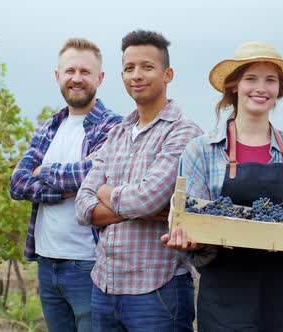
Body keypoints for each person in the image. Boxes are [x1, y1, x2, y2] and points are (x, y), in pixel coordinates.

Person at [162, 41, 283, 332]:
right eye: (251, 78)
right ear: (234, 85)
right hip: (226, 303)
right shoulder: (202, 151)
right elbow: (192, 226)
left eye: (270, 80)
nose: (261, 88)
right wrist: (191, 241)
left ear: (279, 90)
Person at [75, 30, 202, 331]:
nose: (136, 75)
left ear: (167, 74)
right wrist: (139, 210)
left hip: (157, 289)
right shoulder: (117, 132)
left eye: (147, 66)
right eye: (129, 68)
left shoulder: (183, 132)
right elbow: (82, 206)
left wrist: (105, 192)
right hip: (104, 285)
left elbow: (146, 199)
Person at [9, 38, 122, 332]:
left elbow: (98, 175)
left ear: (100, 78)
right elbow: (18, 184)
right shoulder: (49, 127)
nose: (77, 78)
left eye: (85, 72)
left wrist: (42, 171)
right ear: (58, 76)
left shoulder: (113, 127)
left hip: (88, 265)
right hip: (47, 263)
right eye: (70, 70)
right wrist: (75, 185)